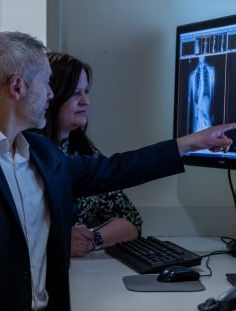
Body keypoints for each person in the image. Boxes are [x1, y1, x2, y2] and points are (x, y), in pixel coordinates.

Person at [0, 31, 236, 311]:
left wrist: (188, 144)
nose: (50, 94)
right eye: (46, 84)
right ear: (17, 87)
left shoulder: (43, 154)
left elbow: (115, 168)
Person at [40, 52, 142, 257]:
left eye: (86, 91)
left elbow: (131, 221)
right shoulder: (28, 152)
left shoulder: (85, 151)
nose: (86, 101)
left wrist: (91, 240)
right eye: (76, 93)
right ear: (52, 95)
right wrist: (58, 241)